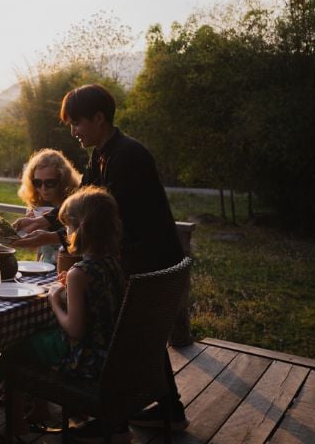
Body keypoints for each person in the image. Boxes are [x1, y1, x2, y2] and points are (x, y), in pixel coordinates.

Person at [59, 83, 188, 438]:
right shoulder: (103, 152)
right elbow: (81, 199)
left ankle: (113, 412)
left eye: (77, 123)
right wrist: (44, 222)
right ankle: (166, 407)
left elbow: (109, 218)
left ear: (99, 118)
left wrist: (68, 245)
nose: (74, 131)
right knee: (142, 335)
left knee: (135, 334)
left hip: (150, 263)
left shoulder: (126, 156)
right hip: (144, 261)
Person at [0, 187, 126, 444]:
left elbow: (74, 329)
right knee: (37, 337)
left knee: (16, 349)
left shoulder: (79, 273)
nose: (66, 235)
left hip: (85, 359)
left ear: (80, 229)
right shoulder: (113, 263)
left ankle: (15, 426)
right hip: (111, 352)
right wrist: (69, 292)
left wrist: (54, 299)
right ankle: (41, 410)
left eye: (67, 229)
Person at [12, 148, 81, 264]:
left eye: (50, 183)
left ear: (63, 181)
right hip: (45, 268)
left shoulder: (76, 205)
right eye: (37, 183)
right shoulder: (37, 206)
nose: (43, 188)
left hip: (70, 268)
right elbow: (36, 248)